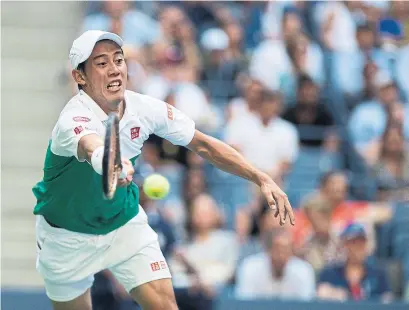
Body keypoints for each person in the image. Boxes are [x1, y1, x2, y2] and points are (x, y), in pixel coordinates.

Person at [32, 30, 294, 310]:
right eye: (101, 63)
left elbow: (204, 145)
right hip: (65, 236)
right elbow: (91, 145)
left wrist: (260, 177)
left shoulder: (145, 109)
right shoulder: (72, 119)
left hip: (122, 223)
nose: (114, 70)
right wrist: (110, 160)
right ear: (79, 77)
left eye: (118, 60)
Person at [317, 223, 393, 302]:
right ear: (345, 245)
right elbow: (321, 295)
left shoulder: (378, 275)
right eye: (353, 243)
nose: (358, 247)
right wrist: (336, 294)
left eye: (361, 242)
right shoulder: (330, 274)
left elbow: (387, 300)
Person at [235, 228, 315, 300]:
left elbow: (308, 305)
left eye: (286, 251)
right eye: (278, 250)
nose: (282, 256)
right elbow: (243, 304)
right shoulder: (250, 268)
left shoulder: (303, 271)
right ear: (268, 250)